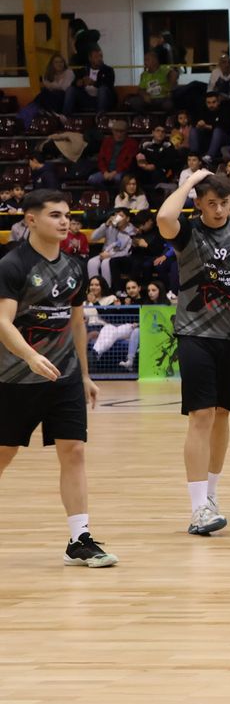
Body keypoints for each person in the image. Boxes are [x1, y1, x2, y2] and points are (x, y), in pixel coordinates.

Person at [0, 189, 115, 567]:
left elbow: (77, 321)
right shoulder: (12, 265)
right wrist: (31, 357)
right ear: (30, 220)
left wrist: (84, 374)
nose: (65, 221)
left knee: (74, 450)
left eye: (67, 215)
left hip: (63, 375)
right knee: (4, 454)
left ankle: (79, 538)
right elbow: (2, 322)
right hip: (16, 376)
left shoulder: (75, 266)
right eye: (55, 215)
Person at [156, 170, 230, 536]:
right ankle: (196, 509)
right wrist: (189, 183)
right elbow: (163, 218)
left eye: (224, 203)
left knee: (222, 415)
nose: (220, 209)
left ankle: (211, 497)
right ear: (199, 203)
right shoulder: (188, 231)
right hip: (195, 333)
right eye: (212, 203)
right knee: (201, 415)